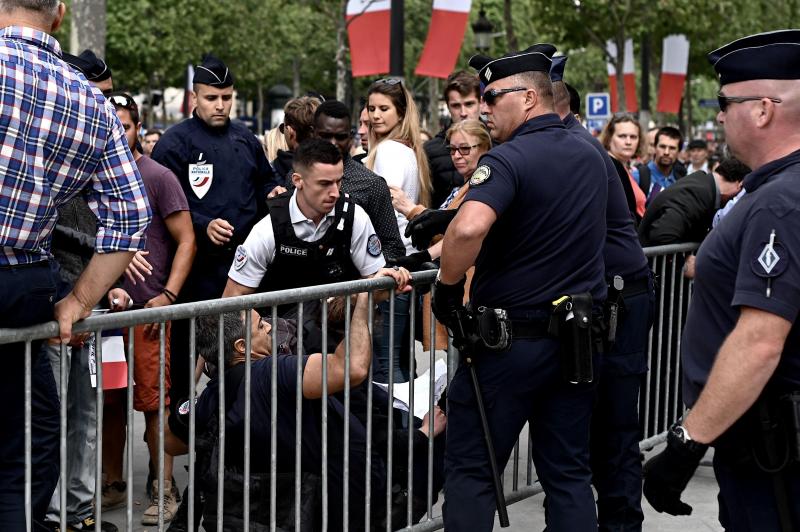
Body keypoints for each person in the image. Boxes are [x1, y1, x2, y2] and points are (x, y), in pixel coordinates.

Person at [433, 46, 607, 531]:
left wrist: (447, 289)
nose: (483, 108)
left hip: (508, 348)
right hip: (575, 344)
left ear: (529, 97)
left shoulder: (508, 158)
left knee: (472, 472)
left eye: (491, 96)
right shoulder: (592, 154)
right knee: (569, 475)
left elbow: (468, 230)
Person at [0, 2, 151, 529]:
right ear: (60, 15)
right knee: (33, 427)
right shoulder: (89, 99)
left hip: (25, 280)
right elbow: (131, 216)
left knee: (34, 423)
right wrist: (80, 299)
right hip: (23, 282)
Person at [643, 30, 800, 531]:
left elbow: (759, 341)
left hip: (772, 450)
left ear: (762, 110)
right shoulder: (773, 192)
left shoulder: (779, 201)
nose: (719, 116)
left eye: (725, 102)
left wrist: (687, 443)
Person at [165, 268, 412, 530]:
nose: (270, 326)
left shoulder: (213, 396)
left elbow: (170, 443)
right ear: (241, 347)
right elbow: (352, 368)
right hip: (315, 509)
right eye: (261, 325)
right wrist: (365, 300)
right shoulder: (274, 372)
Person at [552, 54, 654, 532]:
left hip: (616, 301)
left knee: (612, 431)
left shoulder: (578, 152)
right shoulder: (575, 147)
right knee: (593, 432)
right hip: (605, 299)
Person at [150, 53, 279, 412]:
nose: (220, 105)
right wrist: (203, 223)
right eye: (212, 98)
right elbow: (160, 206)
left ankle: (233, 448)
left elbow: (266, 182)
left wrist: (276, 192)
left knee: (244, 367)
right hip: (194, 276)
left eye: (226, 97)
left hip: (245, 276)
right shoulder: (174, 143)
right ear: (195, 98)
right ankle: (173, 445)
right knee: (182, 369)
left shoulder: (246, 139)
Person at [101, 93, 196, 524]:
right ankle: (112, 484)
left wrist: (169, 295)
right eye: (112, 124)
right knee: (110, 404)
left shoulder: (158, 175)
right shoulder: (94, 176)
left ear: (138, 128)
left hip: (149, 315)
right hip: (106, 315)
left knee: (155, 405)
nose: (119, 132)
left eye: (126, 124)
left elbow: (186, 239)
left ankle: (164, 488)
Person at [222, 139, 388, 299]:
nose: (335, 193)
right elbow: (232, 301)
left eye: (338, 182)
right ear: (298, 181)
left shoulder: (354, 216)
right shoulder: (267, 229)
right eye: (324, 183)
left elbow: (374, 283)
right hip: (278, 325)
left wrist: (388, 280)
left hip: (336, 325)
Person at [391, 118, 491, 351]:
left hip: (465, 288)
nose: (457, 155)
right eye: (452, 149)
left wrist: (411, 210)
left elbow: (459, 233)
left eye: (465, 148)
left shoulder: (482, 189)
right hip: (448, 284)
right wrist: (422, 256)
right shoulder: (463, 186)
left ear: (485, 148)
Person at [365, 78, 432, 383]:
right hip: (406, 262)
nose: (375, 115)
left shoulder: (389, 150)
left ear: (401, 113)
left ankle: (401, 429)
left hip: (392, 264)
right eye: (371, 108)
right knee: (399, 361)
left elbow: (384, 203)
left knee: (385, 365)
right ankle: (411, 428)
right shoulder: (407, 150)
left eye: (384, 109)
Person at [310, 100, 405, 261]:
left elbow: (393, 247)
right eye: (325, 136)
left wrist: (365, 272)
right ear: (313, 133)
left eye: (340, 137)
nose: (333, 143)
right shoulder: (296, 177)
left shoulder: (372, 185)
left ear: (350, 136)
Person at [638, 157, 749, 247]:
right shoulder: (699, 194)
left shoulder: (703, 184)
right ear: (740, 185)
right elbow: (662, 235)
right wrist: (685, 264)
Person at [423, 70, 481, 207]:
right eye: (456, 106)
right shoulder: (430, 150)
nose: (463, 113)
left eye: (469, 104)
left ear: (481, 102)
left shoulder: (499, 144)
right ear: (448, 107)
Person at [599, 114, 647, 221]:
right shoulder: (606, 167)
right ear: (609, 138)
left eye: (633, 137)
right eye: (622, 136)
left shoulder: (624, 168)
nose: (628, 142)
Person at [634, 126, 687, 203]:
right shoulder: (638, 176)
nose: (666, 152)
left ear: (679, 151)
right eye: (662, 146)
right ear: (655, 147)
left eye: (672, 148)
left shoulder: (681, 181)